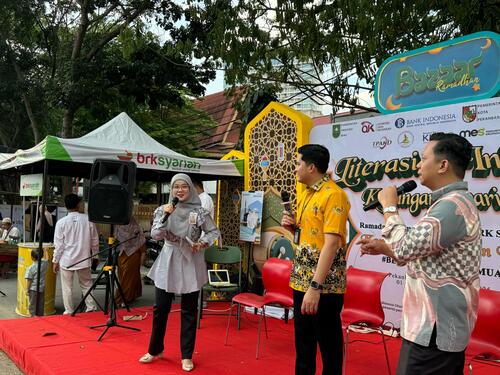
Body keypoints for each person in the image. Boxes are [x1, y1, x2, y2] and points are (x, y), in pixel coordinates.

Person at [357, 132, 481, 375]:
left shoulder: (453, 206)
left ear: (443, 165)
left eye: (423, 159)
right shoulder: (449, 203)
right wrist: (385, 248)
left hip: (436, 329)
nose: (418, 165)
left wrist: (389, 207)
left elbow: (405, 247)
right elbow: (418, 253)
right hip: (431, 328)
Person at [139, 173, 220, 372]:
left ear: (191, 189)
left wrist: (202, 243)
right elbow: (157, 235)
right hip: (168, 259)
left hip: (190, 261)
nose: (180, 190)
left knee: (189, 310)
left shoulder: (200, 211)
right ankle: (154, 349)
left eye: (184, 186)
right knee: (161, 307)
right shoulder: (163, 209)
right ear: (171, 190)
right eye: (176, 187)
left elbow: (213, 232)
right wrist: (165, 215)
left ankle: (186, 355)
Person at [281, 144, 350, 375]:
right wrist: (292, 230)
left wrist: (315, 287)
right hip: (301, 280)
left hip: (324, 287)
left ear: (311, 167)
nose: (295, 170)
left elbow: (331, 244)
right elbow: (309, 238)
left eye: (298, 164)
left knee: (329, 348)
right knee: (304, 346)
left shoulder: (334, 195)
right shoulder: (307, 194)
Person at [52, 194, 99, 314]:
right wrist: (95, 256)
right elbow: (95, 241)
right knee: (87, 284)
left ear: (65, 205)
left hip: (66, 260)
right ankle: (91, 308)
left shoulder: (61, 223)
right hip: (84, 258)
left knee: (67, 287)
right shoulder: (88, 219)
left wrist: (55, 261)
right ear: (78, 204)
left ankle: (69, 310)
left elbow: (59, 245)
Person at [113, 215, 146, 306]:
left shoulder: (136, 228)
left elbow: (142, 242)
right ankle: (130, 296)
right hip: (122, 254)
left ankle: (121, 298)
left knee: (128, 279)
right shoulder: (118, 227)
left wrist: (143, 255)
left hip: (133, 254)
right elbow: (115, 239)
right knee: (123, 277)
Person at [25, 249, 48, 316]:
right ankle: (40, 316)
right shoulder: (45, 264)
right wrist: (46, 251)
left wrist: (27, 289)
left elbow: (29, 280)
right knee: (41, 303)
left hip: (33, 289)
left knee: (32, 304)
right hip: (41, 288)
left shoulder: (31, 268)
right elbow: (47, 258)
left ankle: (33, 317)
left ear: (32, 257)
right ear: (42, 255)